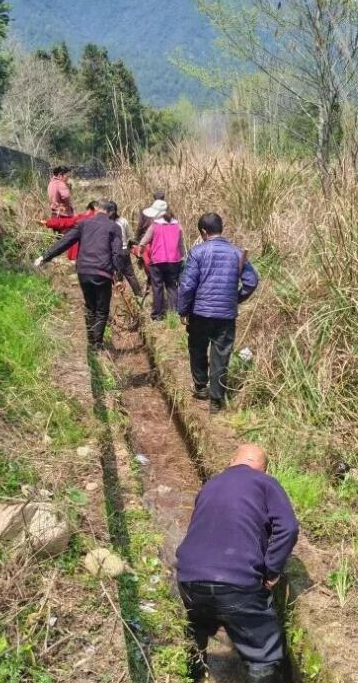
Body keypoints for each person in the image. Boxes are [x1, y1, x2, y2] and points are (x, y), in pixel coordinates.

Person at [175, 444, 299, 683]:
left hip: (189, 580)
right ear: (263, 468)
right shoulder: (265, 482)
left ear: (232, 461)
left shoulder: (210, 484)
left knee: (194, 633)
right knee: (264, 655)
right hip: (237, 584)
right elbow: (289, 528)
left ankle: (191, 675)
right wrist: (271, 570)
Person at [176, 212, 259, 413]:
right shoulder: (237, 253)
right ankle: (216, 400)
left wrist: (183, 310)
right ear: (221, 229)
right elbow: (252, 281)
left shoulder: (198, 252)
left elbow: (187, 286)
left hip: (200, 313)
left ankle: (200, 386)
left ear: (203, 232)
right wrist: (235, 298)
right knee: (221, 355)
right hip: (226, 316)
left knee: (197, 348)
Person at [34, 200, 124, 351]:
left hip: (84, 271)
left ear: (97, 210)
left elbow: (65, 241)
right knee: (102, 310)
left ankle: (91, 341)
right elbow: (117, 253)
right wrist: (119, 278)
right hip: (103, 272)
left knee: (90, 306)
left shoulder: (84, 223)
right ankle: (97, 344)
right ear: (111, 213)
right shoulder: (114, 227)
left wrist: (44, 257)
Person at [139, 204, 184, 321]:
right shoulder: (178, 226)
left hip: (157, 262)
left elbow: (144, 241)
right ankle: (173, 314)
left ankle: (157, 315)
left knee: (157, 288)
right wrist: (182, 256)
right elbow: (181, 244)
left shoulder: (154, 226)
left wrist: (140, 251)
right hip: (174, 261)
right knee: (172, 287)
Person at [104, 200, 143, 296]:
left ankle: (122, 299)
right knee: (131, 276)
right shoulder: (123, 221)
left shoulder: (106, 223)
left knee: (117, 277)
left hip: (114, 253)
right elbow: (130, 236)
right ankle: (138, 296)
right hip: (125, 251)